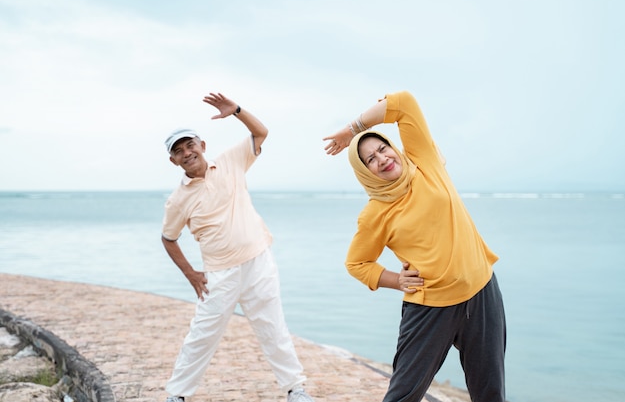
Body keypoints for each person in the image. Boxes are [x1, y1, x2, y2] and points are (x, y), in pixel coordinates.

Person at [322, 91, 506, 402]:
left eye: (383, 149)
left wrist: (351, 129)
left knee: (490, 393)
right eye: (371, 159)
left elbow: (403, 103)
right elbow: (357, 263)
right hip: (430, 307)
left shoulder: (425, 162)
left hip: (481, 292)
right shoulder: (375, 213)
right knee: (403, 396)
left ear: (393, 147)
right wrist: (395, 280)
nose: (382, 159)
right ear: (365, 171)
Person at [161, 92, 315, 402]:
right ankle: (177, 395)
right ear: (173, 160)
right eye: (179, 151)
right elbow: (168, 238)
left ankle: (295, 390)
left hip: (259, 261)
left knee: (273, 327)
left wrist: (237, 111)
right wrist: (191, 274)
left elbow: (260, 133)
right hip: (219, 273)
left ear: (202, 145)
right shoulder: (177, 200)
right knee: (202, 335)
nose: (187, 152)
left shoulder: (231, 160)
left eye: (190, 144)